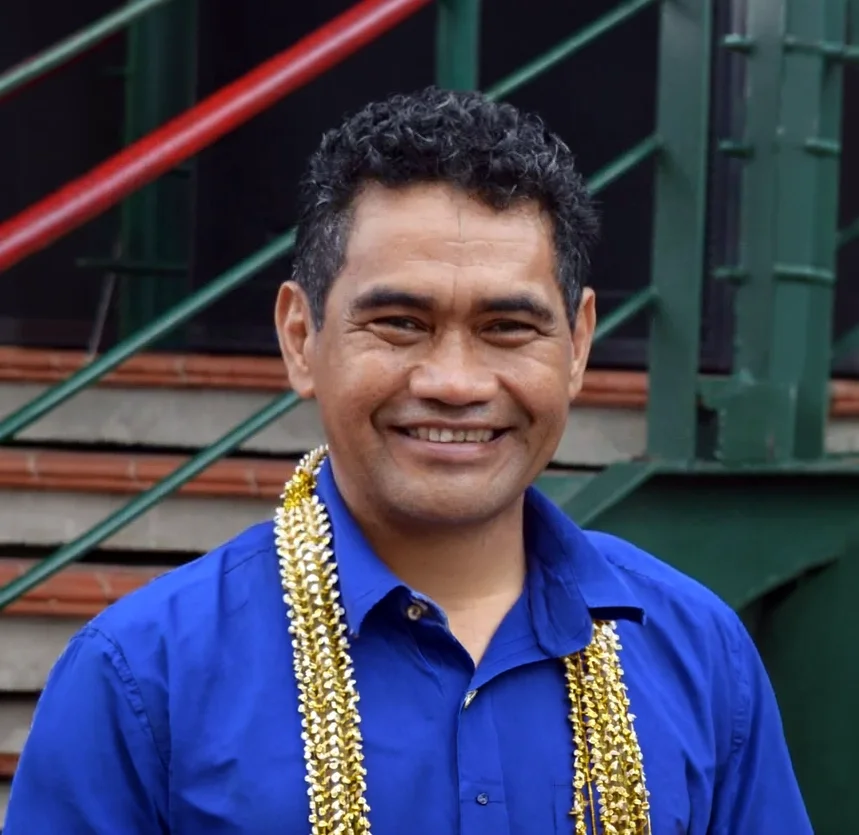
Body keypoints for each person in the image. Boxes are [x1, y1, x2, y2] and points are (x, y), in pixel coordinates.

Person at [4, 87, 811, 835]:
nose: (454, 382)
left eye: (507, 327)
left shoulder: (697, 653)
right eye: (398, 322)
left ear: (578, 345)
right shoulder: (145, 679)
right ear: (300, 337)